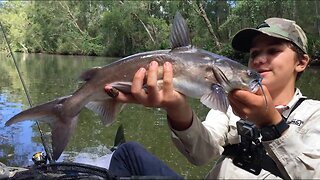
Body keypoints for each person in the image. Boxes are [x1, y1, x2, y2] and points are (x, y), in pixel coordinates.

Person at [104, 17, 320, 179]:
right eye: (254, 54)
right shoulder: (231, 106)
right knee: (127, 153)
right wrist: (177, 108)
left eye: (273, 51)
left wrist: (271, 123)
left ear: (301, 62)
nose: (260, 60)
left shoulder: (314, 113)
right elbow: (201, 154)